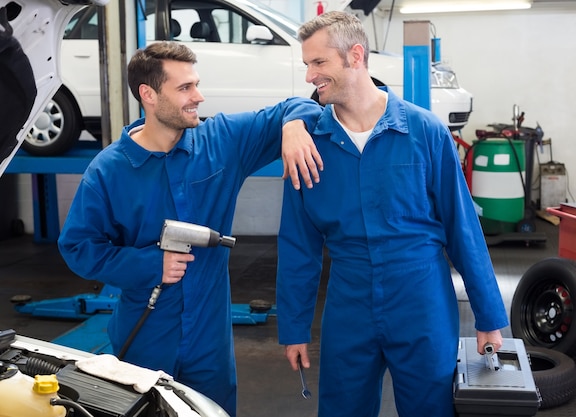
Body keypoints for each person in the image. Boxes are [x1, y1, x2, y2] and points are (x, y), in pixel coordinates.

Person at [58, 41, 322, 417]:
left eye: (196, 84)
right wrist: (152, 264)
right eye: (184, 88)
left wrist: (293, 126)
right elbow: (78, 247)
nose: (198, 96)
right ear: (148, 95)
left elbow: (300, 105)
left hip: (210, 340)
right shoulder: (108, 171)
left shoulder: (222, 141)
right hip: (145, 333)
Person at [276, 11, 509, 417]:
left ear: (355, 55)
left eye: (318, 63)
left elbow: (462, 229)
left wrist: (488, 316)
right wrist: (293, 328)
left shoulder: (424, 131)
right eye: (307, 65)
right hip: (349, 303)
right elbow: (299, 245)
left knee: (430, 408)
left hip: (422, 301)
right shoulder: (310, 145)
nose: (310, 76)